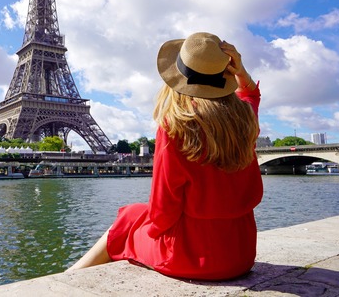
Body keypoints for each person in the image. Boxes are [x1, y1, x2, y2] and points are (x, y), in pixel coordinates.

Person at [67, 32, 262, 280]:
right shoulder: (245, 121)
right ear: (226, 74)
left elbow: (163, 212)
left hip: (190, 258)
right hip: (240, 255)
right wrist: (242, 73)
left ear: (178, 78)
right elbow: (250, 98)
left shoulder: (176, 126)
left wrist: (142, 227)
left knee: (126, 220)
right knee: (133, 215)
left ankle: (67, 278)